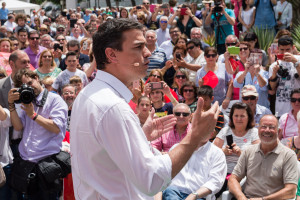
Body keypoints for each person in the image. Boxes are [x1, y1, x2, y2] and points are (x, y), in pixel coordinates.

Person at [70, 18, 220, 199]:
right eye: (138, 47)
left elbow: (107, 158)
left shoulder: (89, 94)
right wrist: (195, 136)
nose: (148, 53)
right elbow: (151, 181)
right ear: (111, 55)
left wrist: (140, 137)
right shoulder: (112, 106)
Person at [8, 68, 68, 199]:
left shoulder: (55, 100)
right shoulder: (28, 101)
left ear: (36, 78)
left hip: (46, 165)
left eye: (30, 83)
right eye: (24, 86)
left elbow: (56, 127)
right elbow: (18, 127)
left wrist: (33, 115)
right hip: (26, 162)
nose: (29, 88)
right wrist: (11, 105)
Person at [228, 114, 299, 200]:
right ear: (258, 130)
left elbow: (291, 191)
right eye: (263, 126)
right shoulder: (248, 151)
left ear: (279, 131)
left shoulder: (288, 155)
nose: (267, 130)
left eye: (272, 127)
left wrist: (263, 199)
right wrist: (241, 197)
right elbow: (233, 179)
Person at [213, 102, 259, 196]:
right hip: (223, 172)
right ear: (231, 117)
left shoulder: (254, 133)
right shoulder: (225, 131)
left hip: (244, 174)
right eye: (236, 115)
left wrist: (241, 153)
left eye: (242, 116)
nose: (238, 119)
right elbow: (212, 151)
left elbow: (257, 158)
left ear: (248, 117)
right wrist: (223, 151)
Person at [162, 134, 227, 200]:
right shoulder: (177, 148)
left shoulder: (217, 154)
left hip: (199, 196)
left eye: (206, 127)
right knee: (170, 191)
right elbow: (163, 176)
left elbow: (215, 182)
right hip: (172, 193)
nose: (201, 131)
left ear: (212, 133)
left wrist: (194, 195)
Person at [269, 36, 300, 118]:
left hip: (298, 107)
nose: (285, 52)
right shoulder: (274, 65)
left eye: (287, 49)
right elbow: (272, 88)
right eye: (282, 50)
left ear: (293, 48)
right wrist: (274, 74)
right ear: (278, 49)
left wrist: (295, 62)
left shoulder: (298, 60)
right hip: (281, 109)